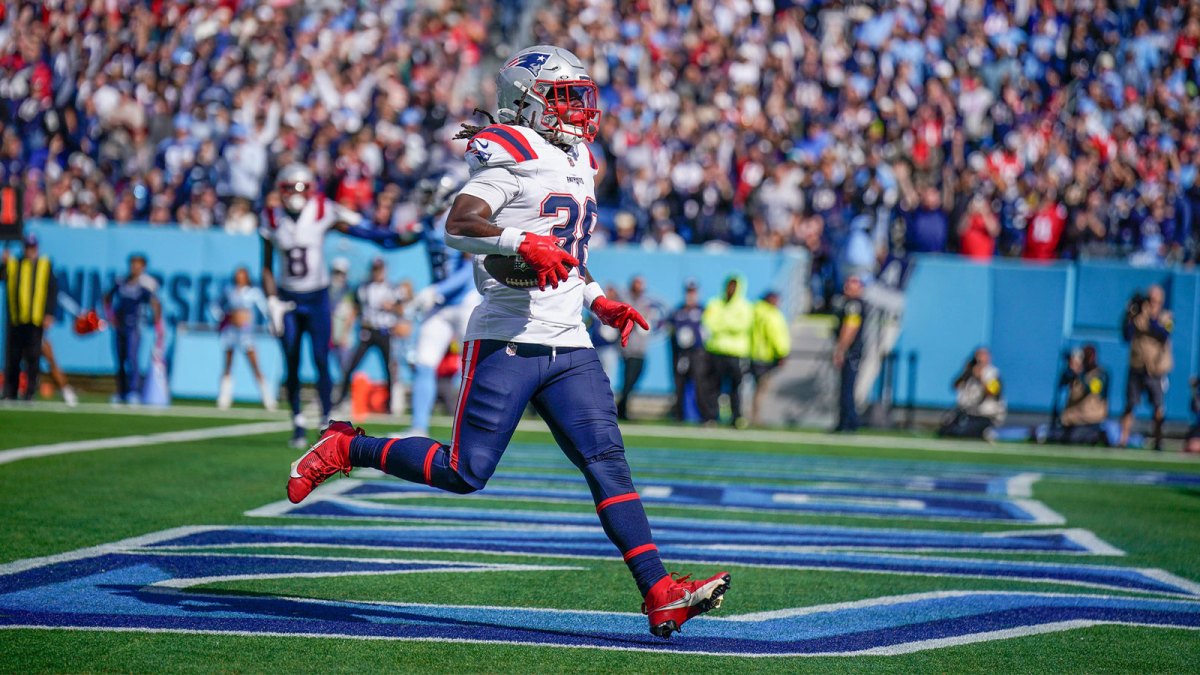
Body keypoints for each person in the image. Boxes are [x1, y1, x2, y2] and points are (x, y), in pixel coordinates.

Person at [285, 45, 729, 639]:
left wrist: (598, 299)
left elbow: (568, 251)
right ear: (528, 99)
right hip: (508, 339)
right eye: (565, 97)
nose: (579, 111)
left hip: (569, 341)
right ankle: (346, 447)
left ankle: (659, 591)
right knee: (464, 471)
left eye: (580, 98)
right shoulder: (510, 154)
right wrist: (520, 242)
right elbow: (461, 225)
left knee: (608, 465)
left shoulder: (581, 158)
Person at [259, 163, 397, 448]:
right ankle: (297, 421)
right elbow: (266, 266)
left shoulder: (322, 209)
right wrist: (272, 300)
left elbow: (359, 228)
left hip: (317, 296)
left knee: (322, 359)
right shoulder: (271, 217)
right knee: (292, 361)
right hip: (287, 298)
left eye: (301, 188)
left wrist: (380, 230)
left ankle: (325, 418)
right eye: (290, 188)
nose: (296, 194)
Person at [350, 171, 483, 436]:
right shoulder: (426, 224)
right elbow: (389, 241)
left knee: (474, 367)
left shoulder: (459, 220)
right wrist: (354, 227)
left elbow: (470, 268)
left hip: (465, 300)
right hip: (441, 303)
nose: (425, 200)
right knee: (424, 361)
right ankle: (419, 427)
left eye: (430, 195)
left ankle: (479, 429)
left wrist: (437, 290)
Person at [335, 258, 402, 412]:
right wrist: (345, 332)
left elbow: (401, 310)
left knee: (388, 369)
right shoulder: (363, 288)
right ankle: (340, 399)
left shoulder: (392, 289)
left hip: (385, 332)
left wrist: (391, 307)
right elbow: (355, 310)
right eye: (375, 269)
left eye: (379, 269)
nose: (377, 273)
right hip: (368, 331)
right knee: (351, 365)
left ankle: (389, 404)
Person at [2, 234, 57, 401]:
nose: (30, 251)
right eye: (27, 247)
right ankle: (10, 391)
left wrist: (49, 314)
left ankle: (30, 392)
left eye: (32, 248)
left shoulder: (44, 265)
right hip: (16, 319)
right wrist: (3, 263)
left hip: (35, 319)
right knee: (13, 357)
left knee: (33, 357)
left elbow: (52, 291)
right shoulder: (14, 264)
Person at [104, 253, 162, 405]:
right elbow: (107, 298)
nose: (134, 268)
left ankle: (134, 391)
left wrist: (157, 323)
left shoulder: (144, 286)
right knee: (120, 359)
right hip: (120, 327)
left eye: (138, 265)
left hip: (134, 326)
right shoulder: (121, 282)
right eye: (132, 264)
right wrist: (110, 316)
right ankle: (121, 392)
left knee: (132, 358)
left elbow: (155, 303)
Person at [1119, 285, 1173, 450]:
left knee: (1158, 406)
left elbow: (1163, 333)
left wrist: (1151, 317)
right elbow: (1126, 335)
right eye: (1149, 300)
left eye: (1155, 300)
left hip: (1155, 369)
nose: (1151, 304)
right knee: (1130, 404)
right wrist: (1129, 314)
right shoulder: (1138, 316)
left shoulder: (1166, 317)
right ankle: (1123, 440)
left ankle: (1158, 440)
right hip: (1138, 366)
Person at [215, 267, 275, 411]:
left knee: (255, 364)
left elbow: (265, 309)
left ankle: (268, 398)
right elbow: (216, 305)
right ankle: (224, 398)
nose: (240, 278)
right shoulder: (229, 290)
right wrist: (223, 317)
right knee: (228, 364)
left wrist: (271, 323)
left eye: (242, 275)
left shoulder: (253, 292)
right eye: (238, 275)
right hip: (231, 332)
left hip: (246, 333)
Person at [701, 274, 752, 427]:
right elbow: (709, 323)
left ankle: (736, 417)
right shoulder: (715, 303)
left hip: (735, 353)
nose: (731, 289)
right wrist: (727, 324)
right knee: (713, 386)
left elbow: (741, 325)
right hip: (716, 351)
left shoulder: (744, 306)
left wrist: (722, 324)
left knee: (735, 387)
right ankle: (711, 416)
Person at [939, 347, 1005, 441]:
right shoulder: (970, 372)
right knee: (946, 431)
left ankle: (987, 432)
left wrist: (980, 378)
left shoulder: (993, 374)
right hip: (969, 413)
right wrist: (965, 372)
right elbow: (955, 386)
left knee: (963, 433)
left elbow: (991, 393)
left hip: (986, 415)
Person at [1049, 344, 1109, 446]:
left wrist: (1079, 375)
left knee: (1074, 438)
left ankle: (1099, 435)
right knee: (1053, 436)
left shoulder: (1099, 375)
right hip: (1071, 420)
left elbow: (1093, 389)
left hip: (1089, 420)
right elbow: (1060, 389)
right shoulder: (1071, 376)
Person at [749, 290, 791, 425]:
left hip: (754, 354)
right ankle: (755, 417)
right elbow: (775, 334)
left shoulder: (754, 311)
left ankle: (753, 415)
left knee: (757, 388)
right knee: (761, 388)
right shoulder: (771, 315)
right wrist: (782, 352)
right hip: (766, 356)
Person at [667, 280, 705, 422]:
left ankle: (703, 415)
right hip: (681, 354)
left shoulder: (702, 311)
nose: (691, 295)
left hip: (697, 353)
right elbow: (670, 330)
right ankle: (679, 415)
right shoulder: (678, 311)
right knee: (679, 384)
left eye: (693, 292)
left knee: (700, 383)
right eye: (689, 292)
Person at [832, 275, 866, 432]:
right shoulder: (850, 303)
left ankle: (848, 422)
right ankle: (848, 420)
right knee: (846, 388)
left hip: (851, 352)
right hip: (852, 352)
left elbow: (849, 328)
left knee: (846, 389)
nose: (847, 287)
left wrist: (841, 349)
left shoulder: (853, 304)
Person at [616, 276, 652, 420]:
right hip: (629, 348)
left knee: (634, 379)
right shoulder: (625, 299)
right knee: (628, 380)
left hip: (641, 348)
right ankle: (621, 409)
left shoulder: (645, 302)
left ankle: (622, 407)